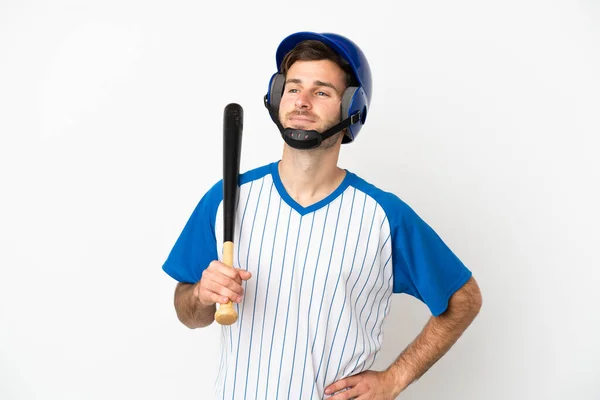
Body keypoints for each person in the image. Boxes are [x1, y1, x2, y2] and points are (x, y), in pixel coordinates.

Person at [162, 31, 482, 399]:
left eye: (321, 92)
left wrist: (395, 378)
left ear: (351, 109)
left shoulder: (384, 216)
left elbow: (464, 299)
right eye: (294, 88)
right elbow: (186, 311)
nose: (302, 102)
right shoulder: (227, 198)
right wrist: (202, 294)